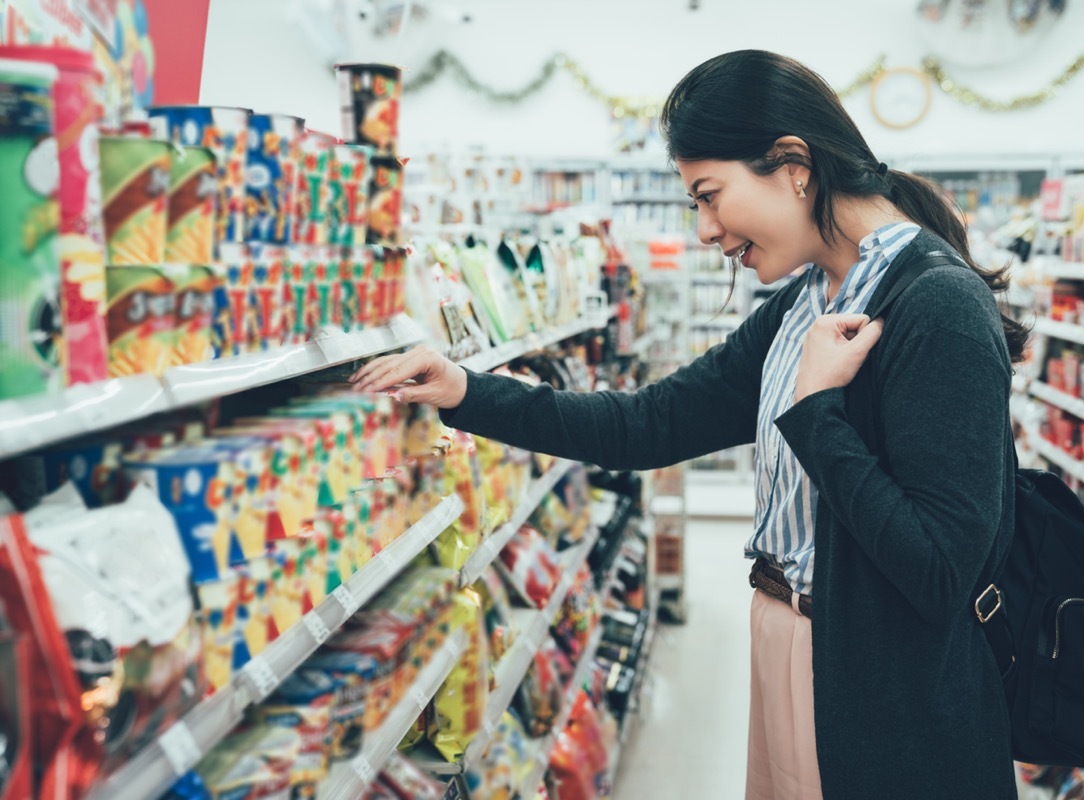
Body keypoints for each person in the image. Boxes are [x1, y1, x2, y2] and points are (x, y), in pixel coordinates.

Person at [351, 49, 1025, 800]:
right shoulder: (808, 301)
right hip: (793, 645)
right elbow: (648, 424)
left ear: (794, 165)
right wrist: (463, 390)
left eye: (710, 195)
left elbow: (939, 571)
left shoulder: (937, 307)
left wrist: (815, 412)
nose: (705, 230)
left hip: (885, 693)